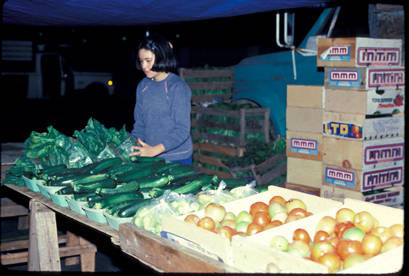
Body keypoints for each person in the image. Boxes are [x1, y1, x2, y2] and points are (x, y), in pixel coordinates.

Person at [129, 33, 193, 166]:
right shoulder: (143, 86)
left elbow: (182, 130)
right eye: (141, 61)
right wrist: (133, 143)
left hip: (177, 158)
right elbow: (140, 123)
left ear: (162, 57)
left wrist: (155, 150)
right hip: (149, 156)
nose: (144, 66)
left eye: (148, 60)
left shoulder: (177, 87)